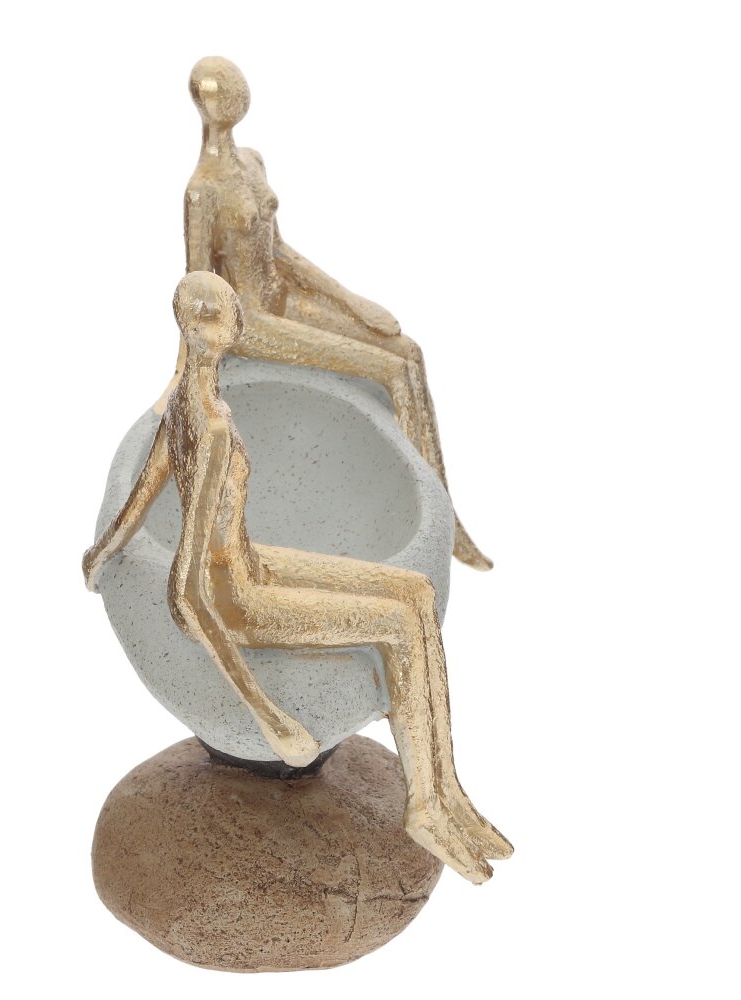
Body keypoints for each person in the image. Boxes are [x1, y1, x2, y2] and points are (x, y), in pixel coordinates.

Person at [85, 271, 512, 882]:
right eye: (224, 314)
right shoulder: (209, 428)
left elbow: (143, 492)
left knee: (415, 591)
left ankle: (443, 793)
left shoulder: (185, 403)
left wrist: (101, 553)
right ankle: (426, 805)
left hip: (250, 563)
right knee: (400, 623)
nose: (237, 320)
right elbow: (190, 591)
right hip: (235, 598)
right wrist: (268, 714)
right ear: (207, 328)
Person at [157, 56, 492, 571]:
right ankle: (433, 525)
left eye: (237, 88)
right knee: (388, 370)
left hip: (283, 297)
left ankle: (443, 516)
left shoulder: (252, 161)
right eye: (224, 92)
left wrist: (353, 303)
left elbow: (282, 252)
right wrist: (184, 376)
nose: (235, 98)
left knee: (407, 352)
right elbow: (197, 291)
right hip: (252, 323)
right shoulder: (201, 190)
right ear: (205, 104)